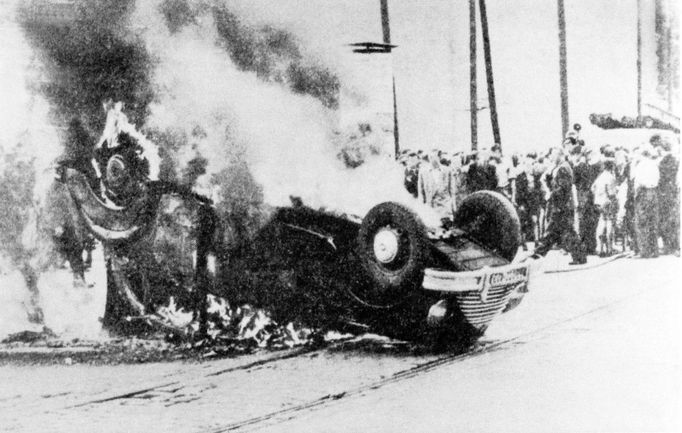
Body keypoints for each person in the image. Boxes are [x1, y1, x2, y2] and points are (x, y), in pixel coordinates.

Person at [533, 146, 585, 264]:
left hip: (562, 205)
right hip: (562, 205)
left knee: (557, 231)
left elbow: (563, 188)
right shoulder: (561, 167)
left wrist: (551, 195)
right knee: (562, 232)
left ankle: (538, 253)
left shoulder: (563, 168)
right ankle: (580, 257)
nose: (551, 157)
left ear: (560, 155)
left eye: (553, 155)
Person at [631, 144, 660, 258]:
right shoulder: (654, 165)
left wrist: (636, 195)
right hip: (653, 192)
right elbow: (657, 179)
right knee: (653, 222)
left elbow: (637, 181)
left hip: (643, 192)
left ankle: (644, 251)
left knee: (642, 222)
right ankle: (654, 250)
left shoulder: (641, 165)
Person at [654, 138, 679, 255]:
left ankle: (668, 246)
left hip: (664, 193)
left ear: (662, 148)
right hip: (672, 192)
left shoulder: (664, 161)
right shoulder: (674, 160)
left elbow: (660, 178)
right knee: (672, 219)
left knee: (665, 219)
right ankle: (673, 245)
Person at [591, 158, 618, 256]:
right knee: (609, 222)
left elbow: (592, 188)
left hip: (598, 202)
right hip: (607, 202)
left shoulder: (600, 176)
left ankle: (600, 248)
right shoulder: (611, 177)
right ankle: (609, 248)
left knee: (601, 222)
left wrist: (598, 195)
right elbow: (612, 193)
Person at [418, 151, 454, 219]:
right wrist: (421, 208)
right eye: (431, 157)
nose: (432, 159)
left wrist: (453, 208)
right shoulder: (423, 172)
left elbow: (452, 191)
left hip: (445, 209)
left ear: (439, 157)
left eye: (435, 157)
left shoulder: (447, 171)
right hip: (430, 209)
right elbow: (421, 192)